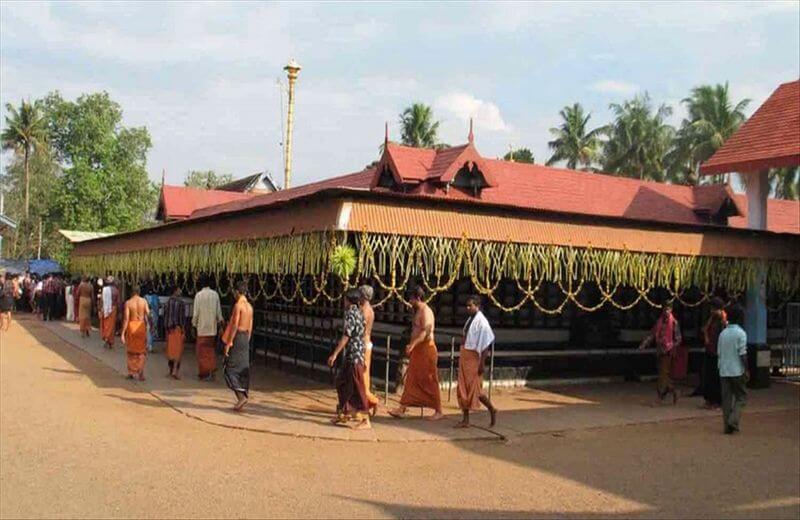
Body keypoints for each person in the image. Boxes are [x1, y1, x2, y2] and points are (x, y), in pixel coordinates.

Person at [388, 286, 444, 420]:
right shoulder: (418, 310)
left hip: (426, 349)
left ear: (418, 298)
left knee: (430, 380)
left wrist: (413, 344)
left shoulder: (426, 311)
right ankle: (402, 407)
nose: (410, 302)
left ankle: (439, 410)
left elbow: (426, 332)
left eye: (411, 299)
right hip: (418, 350)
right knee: (412, 379)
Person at [328, 288, 371, 429]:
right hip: (353, 354)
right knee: (342, 382)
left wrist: (335, 354)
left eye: (345, 299)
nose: (343, 302)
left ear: (349, 300)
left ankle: (365, 419)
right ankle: (344, 411)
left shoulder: (352, 314)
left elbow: (346, 336)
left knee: (358, 386)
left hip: (355, 355)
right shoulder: (358, 313)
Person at [456, 295, 498, 428]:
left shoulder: (482, 322)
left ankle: (491, 408)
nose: (468, 308)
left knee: (476, 390)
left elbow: (485, 345)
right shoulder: (470, 319)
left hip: (474, 358)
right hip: (465, 355)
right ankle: (466, 419)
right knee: (463, 388)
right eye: (467, 306)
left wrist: (482, 363)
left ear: (477, 306)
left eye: (470, 306)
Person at [639, 302, 682, 405]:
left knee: (663, 375)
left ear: (671, 310)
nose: (666, 311)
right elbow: (652, 334)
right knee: (662, 374)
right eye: (665, 309)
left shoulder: (674, 323)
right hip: (659, 350)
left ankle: (659, 397)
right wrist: (644, 344)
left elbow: (678, 339)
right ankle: (674, 391)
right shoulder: (659, 322)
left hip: (668, 352)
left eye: (668, 309)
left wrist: (670, 345)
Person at [222, 281, 254, 411]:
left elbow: (234, 325)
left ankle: (241, 396)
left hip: (238, 335)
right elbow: (250, 326)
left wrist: (229, 343)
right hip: (245, 337)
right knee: (242, 367)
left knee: (229, 368)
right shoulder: (250, 307)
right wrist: (247, 340)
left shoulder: (238, 306)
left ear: (237, 292)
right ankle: (243, 394)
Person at [717, 304, 749, 434]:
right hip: (737, 370)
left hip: (724, 370)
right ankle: (733, 420)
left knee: (726, 400)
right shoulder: (741, 333)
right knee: (741, 397)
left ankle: (727, 426)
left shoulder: (723, 333)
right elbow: (743, 354)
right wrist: (747, 369)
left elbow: (719, 353)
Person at [192, 277, 223, 381]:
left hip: (202, 329)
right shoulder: (215, 295)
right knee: (210, 350)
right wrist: (220, 324)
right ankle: (211, 369)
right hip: (212, 329)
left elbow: (196, 313)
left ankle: (205, 373)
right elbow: (219, 313)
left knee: (201, 352)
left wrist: (193, 325)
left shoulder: (198, 295)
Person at [121, 285, 152, 381]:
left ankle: (131, 372)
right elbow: (149, 314)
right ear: (139, 292)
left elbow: (126, 319)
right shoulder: (144, 301)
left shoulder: (128, 303)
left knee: (131, 351)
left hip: (132, 326)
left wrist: (123, 333)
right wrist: (150, 325)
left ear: (132, 292)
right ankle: (141, 373)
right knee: (141, 351)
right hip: (141, 326)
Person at [700, 297, 726, 409]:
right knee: (708, 377)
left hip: (719, 354)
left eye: (713, 309)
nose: (711, 311)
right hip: (710, 351)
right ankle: (710, 400)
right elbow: (704, 329)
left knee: (717, 379)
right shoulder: (713, 319)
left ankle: (717, 401)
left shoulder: (723, 321)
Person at [359, 284, 380, 416]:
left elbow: (360, 330)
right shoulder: (369, 309)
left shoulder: (365, 311)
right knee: (361, 377)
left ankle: (372, 400)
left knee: (361, 377)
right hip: (366, 343)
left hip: (363, 345)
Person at [164, 287, 188, 379]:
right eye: (179, 289)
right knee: (178, 352)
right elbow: (182, 319)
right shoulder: (181, 303)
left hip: (170, 330)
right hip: (178, 329)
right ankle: (175, 372)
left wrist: (166, 329)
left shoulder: (168, 302)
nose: (181, 291)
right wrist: (184, 330)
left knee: (170, 352)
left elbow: (166, 317)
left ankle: (170, 371)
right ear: (175, 290)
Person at [100, 277, 120, 349]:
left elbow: (101, 300)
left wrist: (101, 309)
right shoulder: (116, 291)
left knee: (105, 324)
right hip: (113, 309)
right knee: (111, 326)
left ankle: (106, 338)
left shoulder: (104, 290)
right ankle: (110, 340)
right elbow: (118, 302)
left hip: (105, 309)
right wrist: (119, 311)